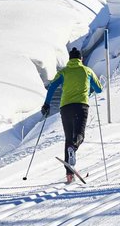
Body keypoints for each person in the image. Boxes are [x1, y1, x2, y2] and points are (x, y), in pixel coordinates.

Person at [41, 47, 102, 183]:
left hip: (65, 107)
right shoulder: (87, 71)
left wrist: (46, 104)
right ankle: (73, 148)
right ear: (81, 59)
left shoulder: (63, 72)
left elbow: (52, 87)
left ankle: (69, 175)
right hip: (81, 106)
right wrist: (89, 91)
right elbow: (99, 89)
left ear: (69, 59)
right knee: (80, 134)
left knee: (68, 138)